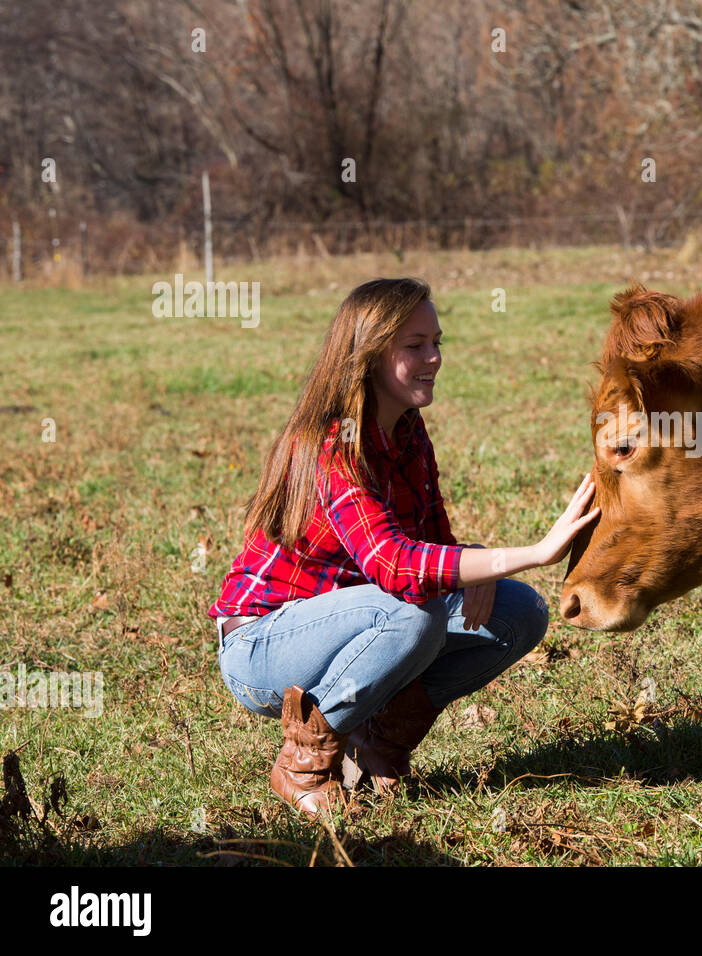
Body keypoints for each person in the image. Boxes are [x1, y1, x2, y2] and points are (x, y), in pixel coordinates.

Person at [207, 277, 599, 820]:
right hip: (263, 646)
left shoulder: (409, 431)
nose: (434, 357)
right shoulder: (330, 443)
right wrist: (533, 551)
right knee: (412, 617)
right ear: (368, 355)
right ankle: (304, 763)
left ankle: (379, 746)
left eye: (437, 341)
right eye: (414, 346)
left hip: (364, 618)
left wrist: (480, 560)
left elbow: (432, 550)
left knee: (518, 612)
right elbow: (394, 566)